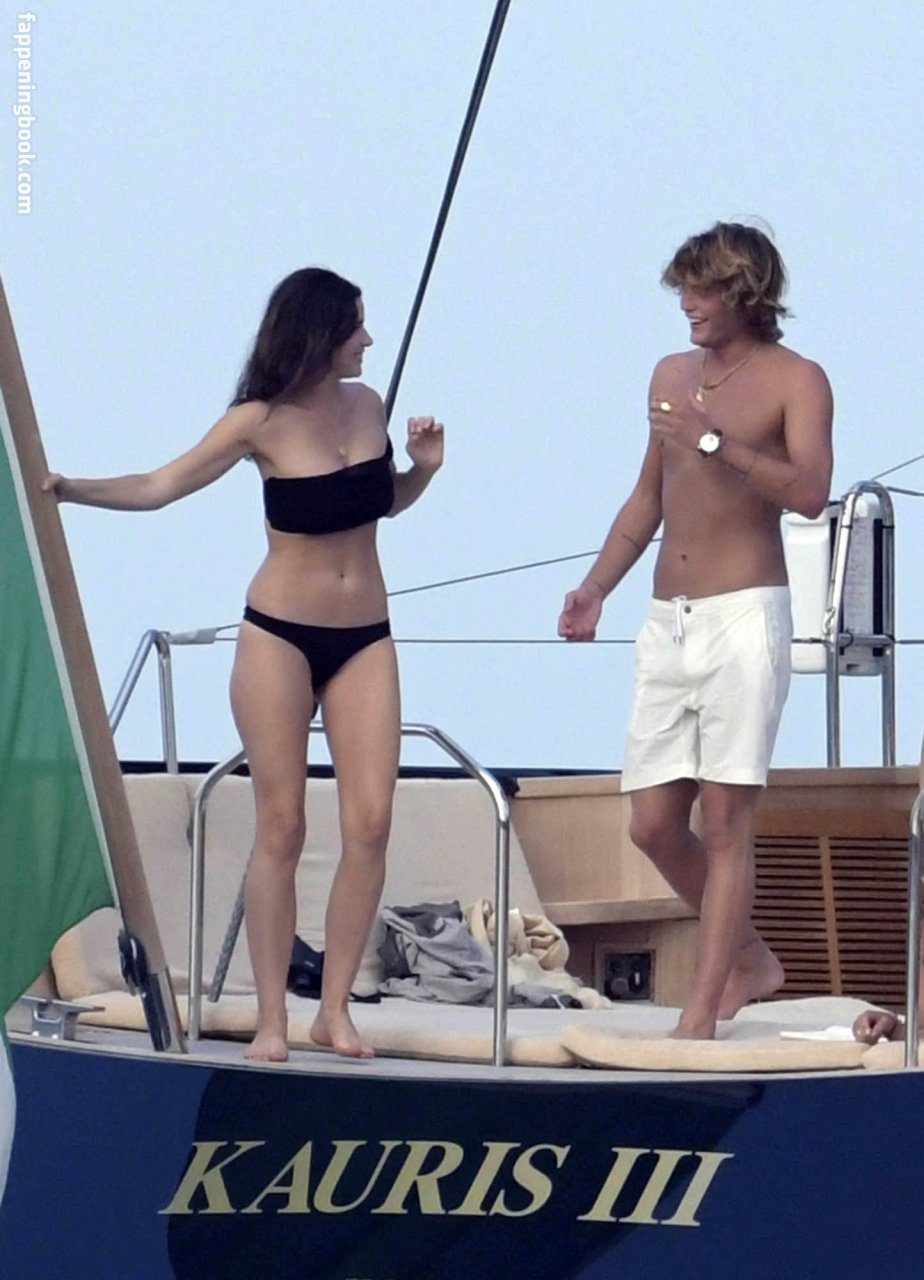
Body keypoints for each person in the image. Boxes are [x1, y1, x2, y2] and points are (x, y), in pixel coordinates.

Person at [43, 267, 444, 1062]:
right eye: (357, 327)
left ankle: (334, 1011)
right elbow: (159, 485)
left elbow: (379, 503)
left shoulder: (369, 407)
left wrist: (422, 470)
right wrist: (67, 489)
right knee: (282, 825)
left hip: (366, 636)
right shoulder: (257, 422)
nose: (368, 340)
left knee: (371, 821)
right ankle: (271, 1019)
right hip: (278, 636)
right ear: (319, 334)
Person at [558, 222, 833, 1039]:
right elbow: (649, 496)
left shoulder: (797, 379)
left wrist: (715, 442)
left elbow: (810, 492)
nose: (688, 303)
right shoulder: (670, 375)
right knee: (650, 823)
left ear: (746, 293)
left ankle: (701, 1014)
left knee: (725, 823)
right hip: (667, 619)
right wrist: (596, 588)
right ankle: (748, 959)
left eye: (703, 289)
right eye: (683, 287)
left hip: (745, 616)